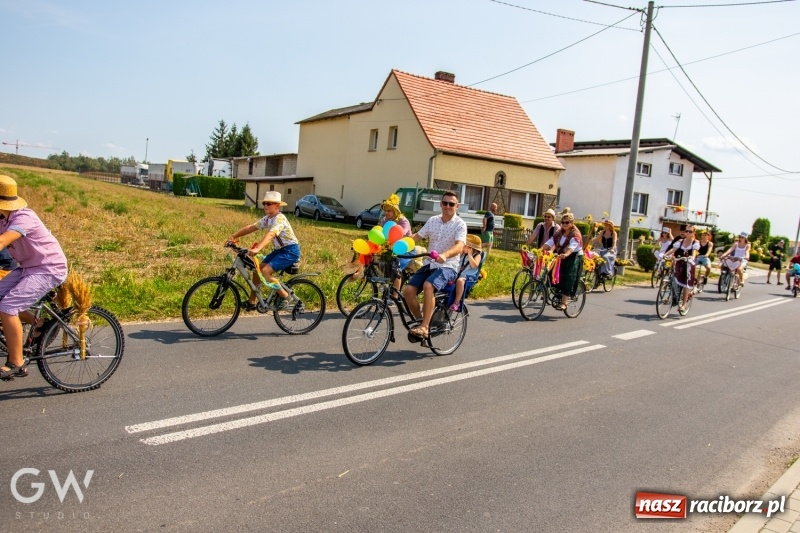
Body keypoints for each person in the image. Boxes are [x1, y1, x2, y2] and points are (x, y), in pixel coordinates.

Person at [0, 175, 68, 380]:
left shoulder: (23, 217)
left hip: (48, 268)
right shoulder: (3, 218)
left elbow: (3, 240)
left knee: (7, 307)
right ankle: (35, 325)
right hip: (29, 267)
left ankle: (17, 362)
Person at [405, 190, 467, 338]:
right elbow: (417, 237)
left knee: (428, 285)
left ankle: (425, 327)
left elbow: (460, 246)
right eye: (445, 203)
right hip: (430, 264)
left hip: (448, 266)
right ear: (440, 204)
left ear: (457, 206)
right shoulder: (433, 220)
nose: (447, 206)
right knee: (408, 291)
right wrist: (399, 245)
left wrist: (445, 255)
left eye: (451, 204)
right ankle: (421, 320)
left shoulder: (460, 224)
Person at [228, 191, 300, 310]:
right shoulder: (268, 218)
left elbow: (271, 235)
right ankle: (252, 301)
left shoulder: (280, 219)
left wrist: (257, 248)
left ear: (277, 206)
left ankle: (286, 298)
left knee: (266, 271)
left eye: (269, 203)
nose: (266, 206)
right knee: (257, 270)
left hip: (290, 251)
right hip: (279, 251)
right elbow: (251, 227)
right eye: (265, 203)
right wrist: (233, 236)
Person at [541, 208, 583, 311]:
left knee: (569, 276)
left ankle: (564, 303)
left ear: (572, 223)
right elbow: (550, 242)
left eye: (567, 222)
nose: (564, 224)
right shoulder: (560, 232)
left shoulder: (575, 234)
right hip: (562, 256)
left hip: (574, 256)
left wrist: (566, 254)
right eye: (563, 222)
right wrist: (539, 250)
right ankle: (555, 292)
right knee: (552, 272)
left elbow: (572, 247)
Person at [664, 225, 699, 312]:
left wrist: (692, 258)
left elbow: (694, 253)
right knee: (672, 278)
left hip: (688, 264)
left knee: (685, 284)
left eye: (690, 231)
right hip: (679, 262)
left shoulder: (695, 242)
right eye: (686, 231)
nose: (687, 233)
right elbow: (673, 249)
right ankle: (670, 297)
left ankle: (684, 305)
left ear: (693, 233)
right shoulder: (680, 241)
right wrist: (665, 254)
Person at [449, 234, 484, 311]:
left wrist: (470, 255)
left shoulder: (477, 255)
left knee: (460, 281)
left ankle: (457, 302)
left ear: (471, 248)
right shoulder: (463, 254)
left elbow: (474, 266)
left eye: (465, 246)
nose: (463, 247)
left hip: (468, 276)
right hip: (459, 274)